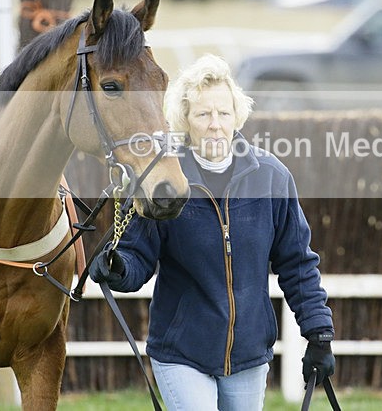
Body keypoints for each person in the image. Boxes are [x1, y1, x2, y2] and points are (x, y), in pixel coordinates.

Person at [90, 54, 335, 411]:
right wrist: (119, 266)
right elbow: (137, 258)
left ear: (237, 116)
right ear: (185, 121)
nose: (215, 124)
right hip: (181, 354)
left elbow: (298, 264)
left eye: (223, 113)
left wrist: (319, 334)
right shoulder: (163, 182)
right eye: (203, 114)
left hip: (248, 355)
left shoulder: (271, 177)